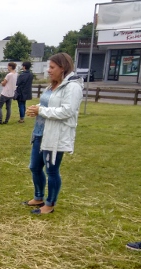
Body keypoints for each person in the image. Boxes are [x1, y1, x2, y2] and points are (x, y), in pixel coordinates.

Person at [23, 53, 83, 215]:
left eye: (52, 67)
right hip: (40, 133)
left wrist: (42, 110)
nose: (48, 70)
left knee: (51, 171)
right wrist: (37, 109)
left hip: (54, 136)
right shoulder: (53, 85)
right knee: (34, 167)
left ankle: (50, 204)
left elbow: (67, 111)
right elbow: (49, 104)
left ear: (62, 68)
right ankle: (38, 197)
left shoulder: (72, 87)